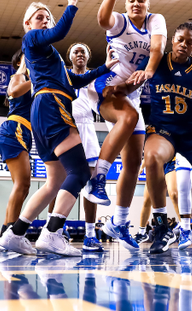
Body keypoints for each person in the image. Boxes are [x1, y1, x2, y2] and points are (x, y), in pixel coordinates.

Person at [105, 22, 192, 255]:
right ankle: (161, 226)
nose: (184, 44)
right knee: (151, 157)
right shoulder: (157, 61)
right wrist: (114, 88)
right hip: (164, 130)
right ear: (172, 39)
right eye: (180, 39)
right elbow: (129, 87)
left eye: (189, 42)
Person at [0, 0, 117, 256]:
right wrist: (72, 3)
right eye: (39, 17)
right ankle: (52, 233)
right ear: (28, 24)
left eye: (47, 17)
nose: (45, 21)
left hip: (42, 111)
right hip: (52, 106)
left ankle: (14, 234)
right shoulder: (31, 39)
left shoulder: (49, 58)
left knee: (54, 182)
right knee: (78, 173)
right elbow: (60, 31)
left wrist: (105, 67)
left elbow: (74, 79)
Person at [87, 0, 167, 251]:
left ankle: (118, 222)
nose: (136, 4)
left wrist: (149, 70)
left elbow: (157, 47)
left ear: (147, 3)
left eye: (141, 0)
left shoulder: (155, 20)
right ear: (126, 2)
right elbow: (101, 18)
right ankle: (98, 177)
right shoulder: (119, 21)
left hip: (131, 92)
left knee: (135, 161)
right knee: (129, 118)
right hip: (108, 88)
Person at [0, 49, 32, 252]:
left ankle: (4, 235)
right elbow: (13, 92)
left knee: (23, 187)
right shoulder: (19, 76)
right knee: (22, 184)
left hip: (24, 132)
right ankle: (10, 234)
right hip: (14, 130)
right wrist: (30, 69)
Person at [67, 42, 103, 253]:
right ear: (70, 57)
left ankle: (90, 235)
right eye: (76, 51)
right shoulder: (63, 75)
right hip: (67, 127)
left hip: (88, 128)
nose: (79, 54)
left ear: (88, 57)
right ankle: (56, 230)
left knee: (92, 184)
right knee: (59, 182)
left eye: (83, 51)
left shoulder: (95, 77)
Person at [134, 158, 180, 245]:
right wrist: (141, 167)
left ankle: (185, 229)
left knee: (174, 194)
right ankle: (141, 233)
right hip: (155, 164)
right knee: (147, 200)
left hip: (171, 162)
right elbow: (149, 152)